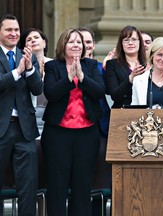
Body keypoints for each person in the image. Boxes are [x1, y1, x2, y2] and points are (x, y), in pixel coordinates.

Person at [41, 28, 106, 216]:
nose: (76, 45)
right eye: (71, 42)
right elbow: (51, 93)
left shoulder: (92, 66)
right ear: (63, 45)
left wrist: (83, 78)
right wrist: (69, 78)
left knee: (82, 185)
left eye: (79, 42)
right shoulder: (54, 66)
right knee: (57, 185)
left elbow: (99, 92)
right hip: (58, 134)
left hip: (86, 133)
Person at [0, 14, 43, 215]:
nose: (14, 33)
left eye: (16, 30)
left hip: (25, 130)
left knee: (28, 187)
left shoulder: (27, 55)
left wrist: (29, 69)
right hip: (1, 128)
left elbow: (36, 89)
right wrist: (16, 72)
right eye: (9, 30)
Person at [77, 26, 113, 216]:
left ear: (93, 45)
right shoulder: (68, 66)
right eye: (81, 41)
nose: (85, 45)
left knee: (100, 177)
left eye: (88, 42)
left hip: (101, 127)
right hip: (78, 125)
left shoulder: (102, 67)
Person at [18, 28, 53, 135]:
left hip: (50, 117)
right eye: (29, 40)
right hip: (28, 119)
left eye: (36, 37)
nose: (33, 40)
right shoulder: (19, 66)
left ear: (44, 43)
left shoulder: (54, 64)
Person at [104, 25, 147, 108]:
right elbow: (114, 95)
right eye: (126, 40)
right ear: (121, 44)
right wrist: (130, 79)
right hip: (121, 112)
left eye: (134, 40)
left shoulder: (148, 64)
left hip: (145, 112)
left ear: (140, 42)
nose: (130, 43)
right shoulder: (112, 65)